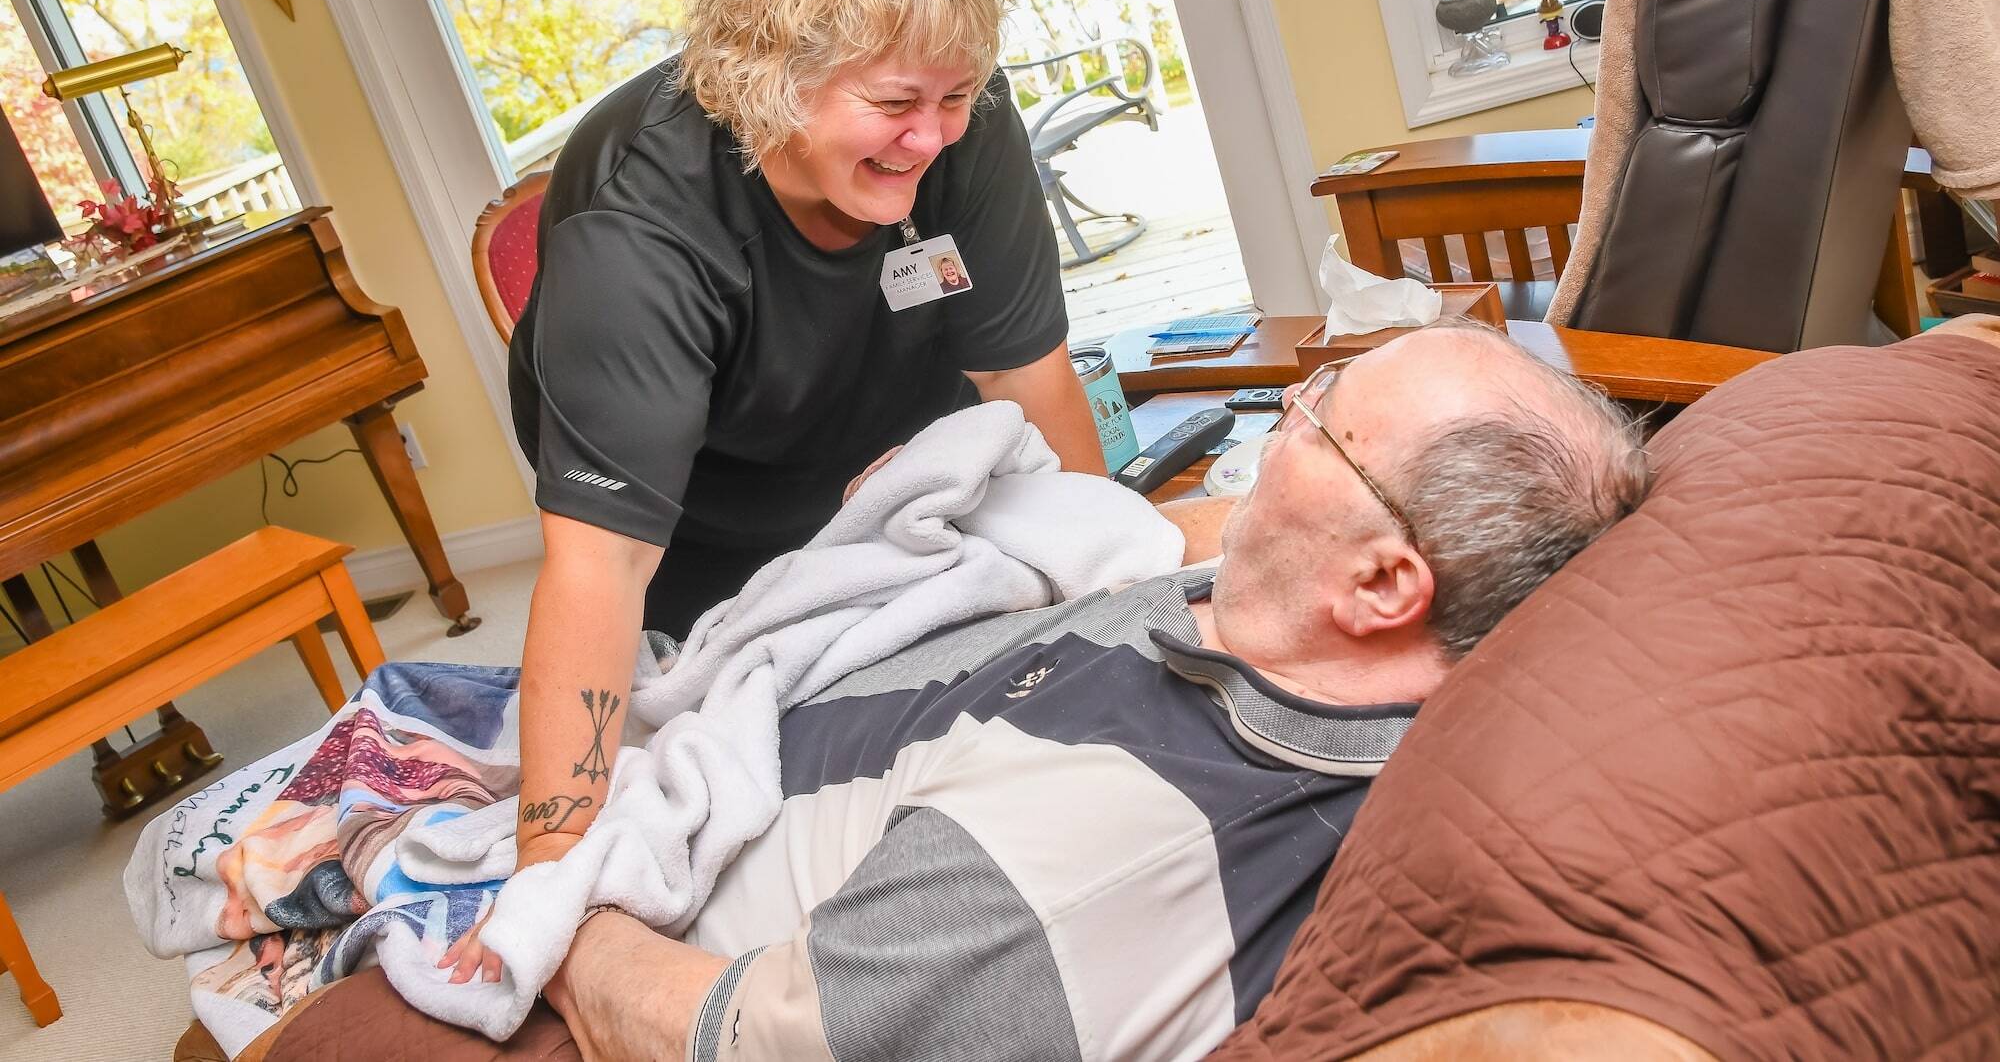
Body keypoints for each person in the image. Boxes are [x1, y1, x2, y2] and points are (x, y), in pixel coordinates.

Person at [411, 321, 1649, 1060]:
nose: (1286, 414)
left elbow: (751, 1038)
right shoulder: (1274, 614)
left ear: (1381, 585)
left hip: (666, 868)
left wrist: (564, 920)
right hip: (758, 697)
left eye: (1320, 424)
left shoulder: (1104, 842)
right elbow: (1116, 537)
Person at [495, 0, 1104, 943]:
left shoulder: (961, 119)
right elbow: (600, 566)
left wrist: (1111, 595)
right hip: (701, 514)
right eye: (893, 106)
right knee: (799, 776)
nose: (930, 137)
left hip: (893, 448)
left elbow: (1029, 380)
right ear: (770, 77)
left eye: (952, 98)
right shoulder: (637, 230)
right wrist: (552, 871)